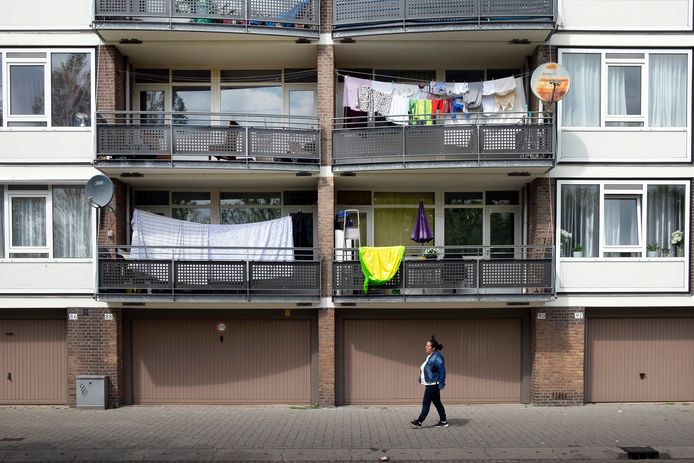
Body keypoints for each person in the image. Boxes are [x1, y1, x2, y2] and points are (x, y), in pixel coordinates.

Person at [410, 335, 448, 428]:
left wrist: (442, 383)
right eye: (426, 345)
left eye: (428, 346)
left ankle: (419, 421)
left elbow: (442, 370)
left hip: (432, 385)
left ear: (433, 348)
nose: (425, 347)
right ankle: (443, 421)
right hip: (430, 383)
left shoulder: (437, 357)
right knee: (437, 403)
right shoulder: (430, 356)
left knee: (426, 403)